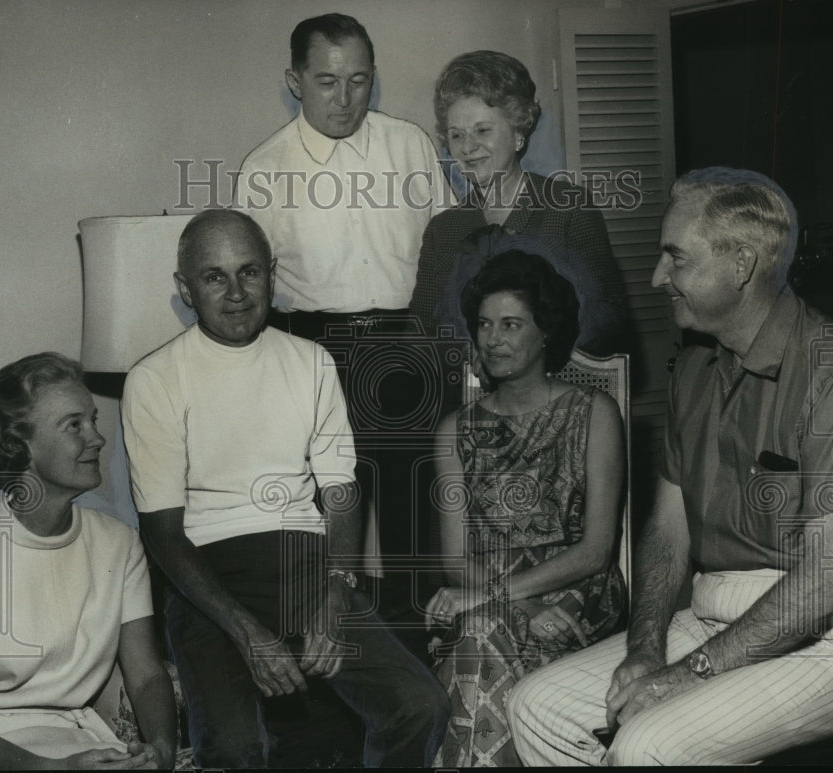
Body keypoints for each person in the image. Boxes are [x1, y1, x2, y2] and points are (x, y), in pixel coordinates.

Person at [506, 167, 833, 765]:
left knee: (645, 744)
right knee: (536, 706)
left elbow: (830, 581)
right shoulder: (693, 368)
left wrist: (693, 671)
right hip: (716, 613)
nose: (659, 277)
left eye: (675, 258)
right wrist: (644, 647)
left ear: (740, 263)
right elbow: (667, 533)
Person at [120, 209, 450, 768]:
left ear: (272, 274)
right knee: (234, 748)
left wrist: (336, 588)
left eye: (249, 272)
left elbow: (340, 490)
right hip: (207, 579)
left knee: (420, 705)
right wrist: (248, 633)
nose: (236, 292)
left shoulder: (311, 361)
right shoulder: (153, 380)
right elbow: (164, 537)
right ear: (185, 288)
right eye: (213, 276)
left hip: (304, 562)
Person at [235, 13, 456, 610]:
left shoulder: (410, 146)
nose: (345, 98)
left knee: (419, 513)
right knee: (329, 513)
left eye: (359, 80)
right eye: (328, 81)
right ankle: (337, 659)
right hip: (316, 349)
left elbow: (451, 249)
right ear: (295, 80)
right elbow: (251, 289)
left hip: (409, 343)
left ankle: (423, 657)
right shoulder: (264, 169)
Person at [0, 353, 177, 771]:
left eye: (94, 420)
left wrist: (162, 753)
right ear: (17, 443)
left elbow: (148, 674)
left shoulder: (120, 544)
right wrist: (55, 770)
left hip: (70, 735)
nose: (97, 438)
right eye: (74, 425)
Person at [424, 251, 627, 767]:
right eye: (485, 325)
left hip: (578, 589)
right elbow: (455, 559)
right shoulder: (455, 431)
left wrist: (495, 599)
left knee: (477, 630)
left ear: (545, 332)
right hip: (487, 593)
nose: (493, 339)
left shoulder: (593, 413)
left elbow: (598, 552)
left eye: (511, 324)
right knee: (480, 633)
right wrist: (514, 605)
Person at [409, 50, 628, 357]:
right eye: (456, 135)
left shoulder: (567, 209)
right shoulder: (443, 229)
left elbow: (607, 320)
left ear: (518, 135)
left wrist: (532, 362)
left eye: (483, 130)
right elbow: (422, 330)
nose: (468, 147)